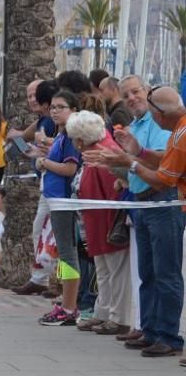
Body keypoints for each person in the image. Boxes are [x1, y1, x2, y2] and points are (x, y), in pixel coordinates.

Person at [84, 86, 185, 358]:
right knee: (149, 271)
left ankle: (169, 335)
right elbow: (163, 160)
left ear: (160, 113)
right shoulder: (174, 130)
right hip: (144, 202)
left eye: (136, 92)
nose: (132, 99)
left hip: (163, 202)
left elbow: (163, 178)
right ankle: (152, 329)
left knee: (167, 272)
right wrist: (136, 152)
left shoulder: (178, 132)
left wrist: (129, 161)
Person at [65, 110, 133, 335]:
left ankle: (118, 316)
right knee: (104, 270)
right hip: (96, 220)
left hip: (106, 221)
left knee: (115, 271)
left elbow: (114, 193)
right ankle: (103, 312)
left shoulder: (103, 154)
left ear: (81, 139)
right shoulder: (98, 151)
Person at [36, 89, 82, 326]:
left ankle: (70, 306)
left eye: (60, 107)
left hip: (64, 201)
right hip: (55, 200)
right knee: (63, 254)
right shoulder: (62, 135)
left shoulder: (72, 136)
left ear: (73, 110)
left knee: (67, 253)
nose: (54, 111)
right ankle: (67, 300)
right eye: (52, 107)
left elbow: (69, 169)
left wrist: (45, 162)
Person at [10, 79, 60, 296]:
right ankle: (40, 278)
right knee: (39, 231)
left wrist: (39, 152)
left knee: (56, 236)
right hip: (45, 183)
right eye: (29, 96)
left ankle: (56, 280)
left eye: (35, 96)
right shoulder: (42, 120)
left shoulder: (51, 121)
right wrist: (16, 143)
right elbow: (22, 137)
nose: (32, 100)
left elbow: (49, 148)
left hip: (56, 185)